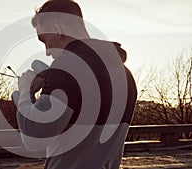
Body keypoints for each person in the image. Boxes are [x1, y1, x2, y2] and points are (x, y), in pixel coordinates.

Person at [15, 0, 137, 168]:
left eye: (44, 40)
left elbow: (34, 138)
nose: (47, 51)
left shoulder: (67, 65)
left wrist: (24, 91)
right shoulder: (125, 74)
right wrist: (52, 78)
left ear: (57, 28)